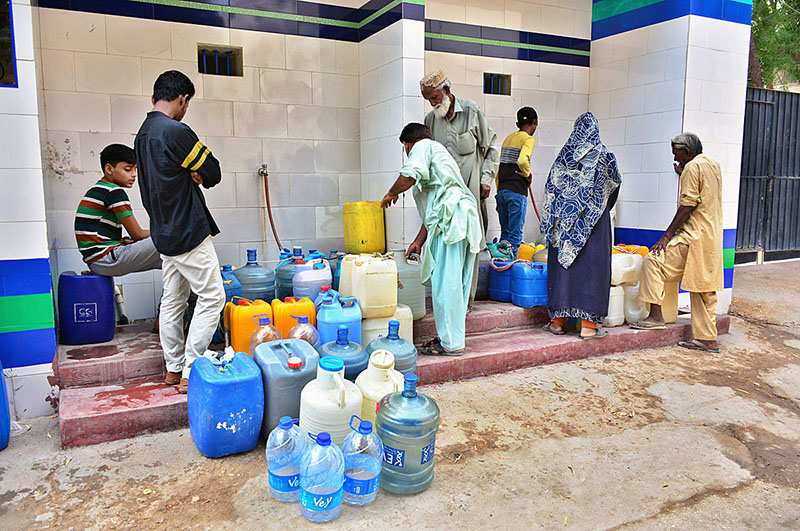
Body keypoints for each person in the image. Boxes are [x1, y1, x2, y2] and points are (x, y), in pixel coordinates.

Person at [135, 70, 225, 393]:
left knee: (173, 300)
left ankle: (173, 368)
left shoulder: (142, 134)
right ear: (182, 99)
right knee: (214, 296)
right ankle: (192, 368)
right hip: (187, 230)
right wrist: (198, 174)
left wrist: (190, 172)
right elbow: (212, 171)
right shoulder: (175, 131)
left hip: (163, 233)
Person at [381, 123, 482, 355]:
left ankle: (452, 344)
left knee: (446, 285)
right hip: (458, 219)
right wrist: (419, 241)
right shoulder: (436, 152)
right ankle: (451, 339)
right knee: (454, 284)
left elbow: (408, 175)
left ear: (407, 144)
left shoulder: (422, 146)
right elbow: (433, 209)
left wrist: (391, 193)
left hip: (452, 221)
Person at [631, 133, 723, 352]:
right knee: (704, 288)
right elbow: (703, 189)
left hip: (694, 237)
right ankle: (707, 338)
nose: (676, 159)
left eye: (678, 155)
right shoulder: (713, 165)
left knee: (653, 261)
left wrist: (666, 236)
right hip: (712, 238)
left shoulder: (692, 168)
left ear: (687, 152)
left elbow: (688, 205)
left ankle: (655, 316)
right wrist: (683, 173)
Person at [420, 69, 499, 305]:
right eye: (429, 100)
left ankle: (465, 302)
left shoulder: (472, 111)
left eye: (434, 98)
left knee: (470, 246)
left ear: (446, 90)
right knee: (446, 247)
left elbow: (492, 146)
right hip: (444, 197)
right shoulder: (430, 120)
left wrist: (486, 179)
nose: (433, 103)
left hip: (471, 192)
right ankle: (448, 300)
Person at [539, 112, 622, 339]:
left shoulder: (563, 157)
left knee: (564, 271)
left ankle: (557, 322)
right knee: (591, 271)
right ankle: (588, 328)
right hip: (594, 227)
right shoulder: (605, 156)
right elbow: (614, 185)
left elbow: (550, 189)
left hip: (563, 227)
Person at [74, 144, 161, 276]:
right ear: (109, 169)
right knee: (173, 240)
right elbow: (137, 234)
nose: (134, 175)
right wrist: (169, 232)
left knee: (172, 258)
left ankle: (185, 296)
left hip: (98, 261)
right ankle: (188, 295)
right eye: (128, 170)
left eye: (135, 169)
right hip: (106, 259)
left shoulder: (98, 190)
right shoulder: (114, 192)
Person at [496, 106, 537, 256]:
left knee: (505, 235)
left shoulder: (508, 138)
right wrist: (527, 174)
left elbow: (499, 170)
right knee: (514, 236)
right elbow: (522, 160)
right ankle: (509, 271)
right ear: (535, 122)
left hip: (502, 192)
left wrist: (499, 193)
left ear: (517, 124)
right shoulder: (528, 139)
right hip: (516, 192)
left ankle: (500, 269)